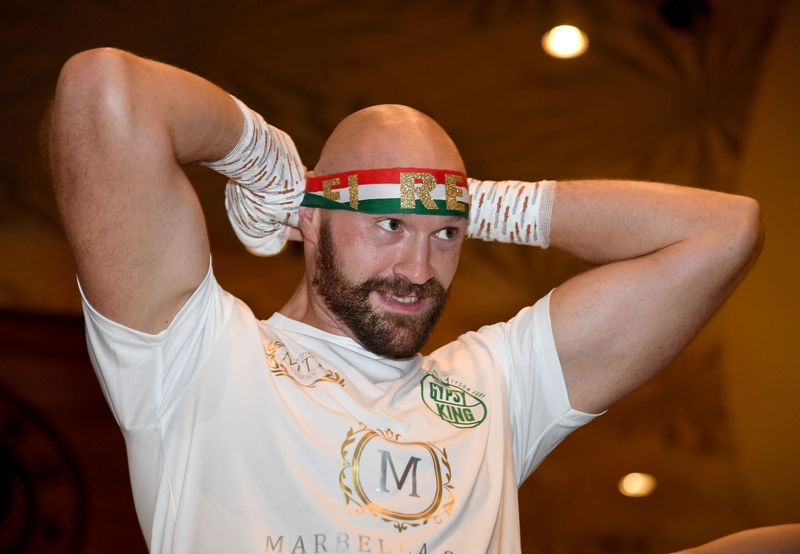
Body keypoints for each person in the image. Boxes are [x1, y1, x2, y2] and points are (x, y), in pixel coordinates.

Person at [48, 48, 763, 553]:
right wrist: (258, 155)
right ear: (310, 219)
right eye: (389, 225)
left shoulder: (496, 387)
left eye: (445, 235)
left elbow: (725, 232)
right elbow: (103, 88)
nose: (418, 269)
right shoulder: (194, 354)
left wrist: (492, 207)